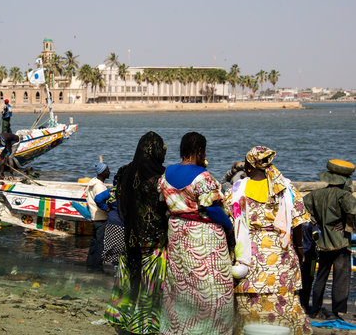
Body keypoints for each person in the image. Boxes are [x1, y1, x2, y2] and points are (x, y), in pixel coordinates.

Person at [224, 146, 312, 334]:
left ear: (248, 167)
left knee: (248, 300)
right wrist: (299, 248)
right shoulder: (285, 188)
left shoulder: (238, 189)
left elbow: (229, 221)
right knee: (283, 298)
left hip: (249, 252)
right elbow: (297, 223)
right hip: (280, 253)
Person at [157, 131, 233, 334]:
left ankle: (177, 327)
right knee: (211, 285)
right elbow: (213, 208)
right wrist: (230, 226)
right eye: (203, 151)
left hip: (176, 232)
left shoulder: (166, 173)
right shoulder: (203, 177)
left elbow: (162, 200)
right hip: (202, 236)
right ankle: (207, 329)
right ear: (199, 151)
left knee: (180, 283)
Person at [105, 132, 167, 334]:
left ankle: (123, 319)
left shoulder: (124, 172)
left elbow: (116, 199)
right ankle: (144, 325)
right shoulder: (161, 177)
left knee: (129, 279)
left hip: (130, 238)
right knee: (149, 286)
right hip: (155, 243)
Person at [305, 159, 356, 320]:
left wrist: (317, 222)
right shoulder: (344, 195)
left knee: (321, 276)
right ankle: (337, 311)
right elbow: (354, 213)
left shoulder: (316, 195)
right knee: (342, 277)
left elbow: (302, 209)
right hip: (341, 242)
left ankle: (316, 308)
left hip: (322, 242)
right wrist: (347, 225)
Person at [95, 165, 125, 274]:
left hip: (112, 223)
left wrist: (106, 208)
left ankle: (116, 269)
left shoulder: (112, 191)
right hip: (125, 224)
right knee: (124, 250)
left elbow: (98, 199)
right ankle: (122, 273)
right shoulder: (130, 191)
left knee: (113, 249)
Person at [86, 162, 110, 272]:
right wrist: (107, 209)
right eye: (107, 170)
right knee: (100, 244)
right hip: (100, 217)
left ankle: (90, 264)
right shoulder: (99, 186)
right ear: (103, 172)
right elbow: (99, 200)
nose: (109, 172)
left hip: (94, 216)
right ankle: (97, 267)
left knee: (94, 243)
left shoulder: (92, 183)